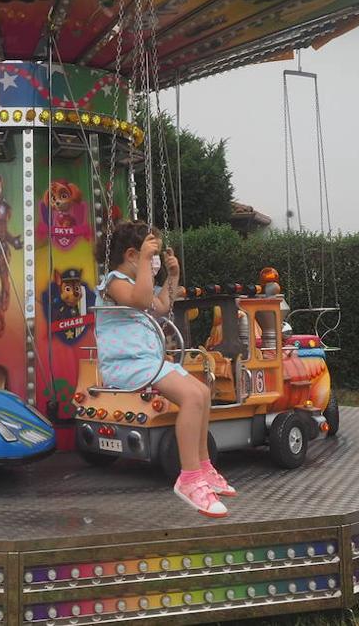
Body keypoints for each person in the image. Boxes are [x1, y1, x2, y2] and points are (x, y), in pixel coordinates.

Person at [95, 222, 235, 517]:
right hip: (126, 363)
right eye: (151, 253)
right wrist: (147, 262)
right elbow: (142, 300)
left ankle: (204, 466)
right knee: (191, 398)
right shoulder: (114, 281)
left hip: (147, 360)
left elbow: (160, 305)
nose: (155, 260)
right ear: (132, 255)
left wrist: (173, 276)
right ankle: (189, 477)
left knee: (202, 392)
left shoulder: (136, 282)